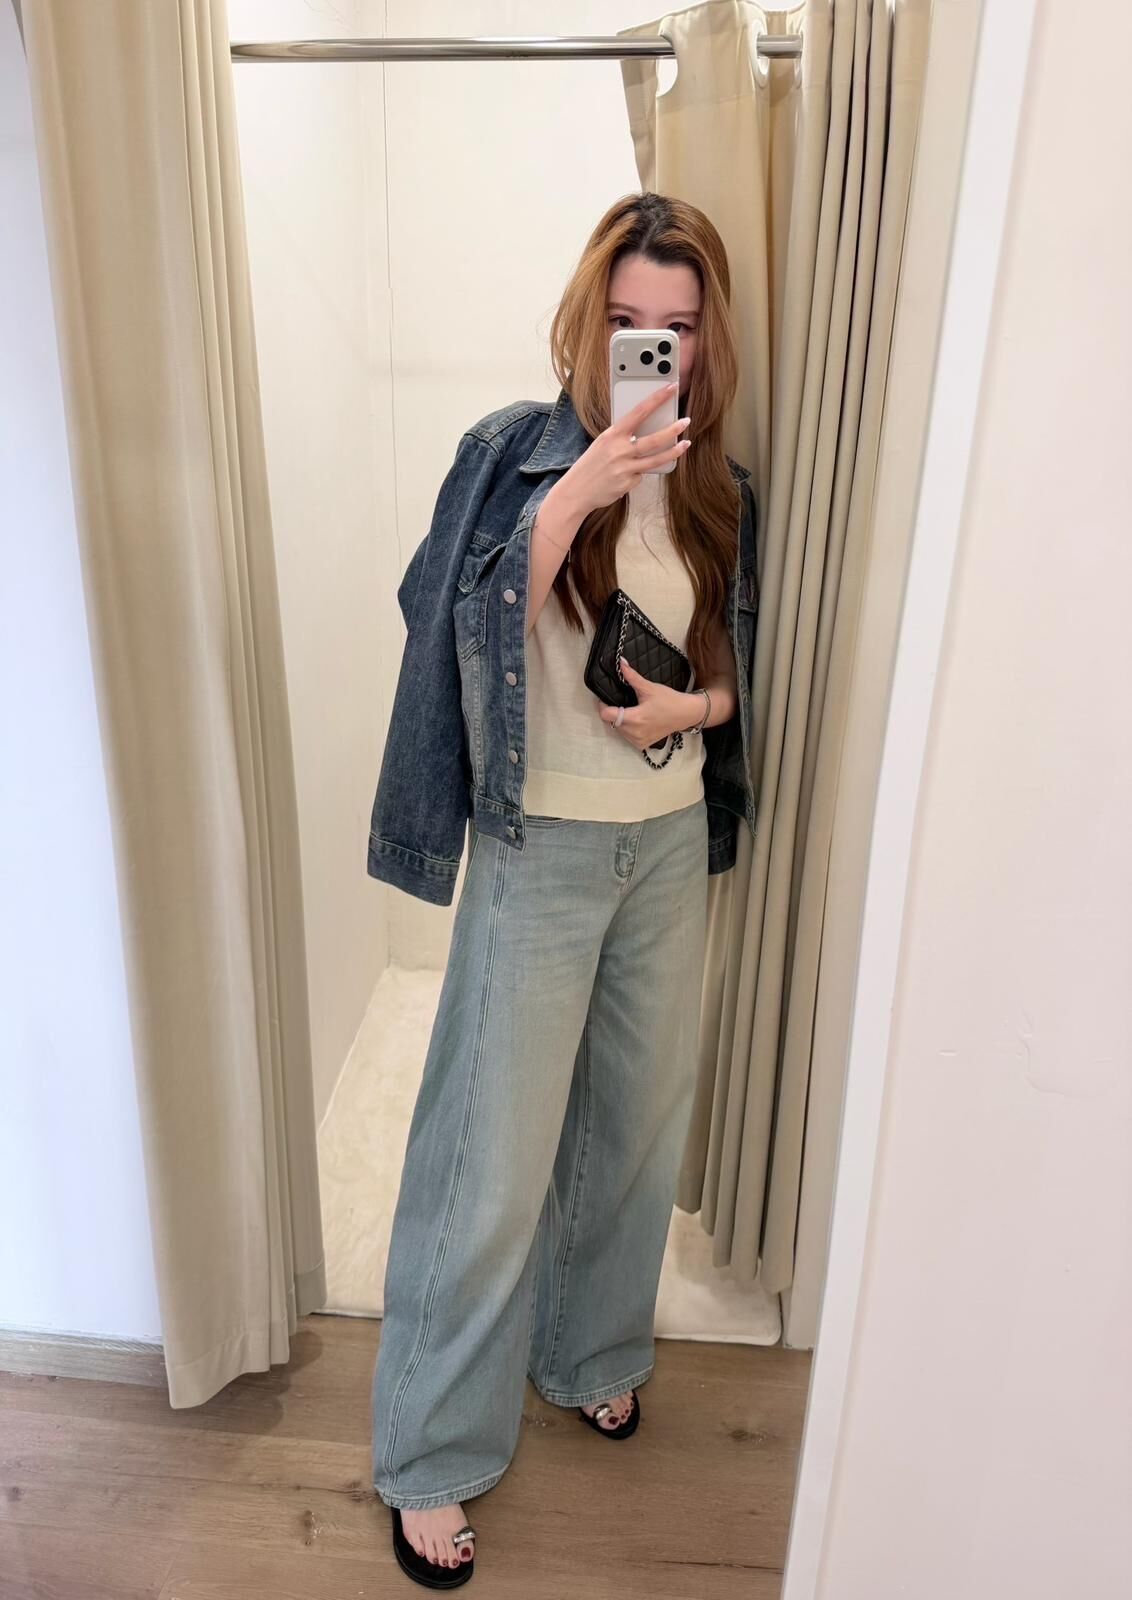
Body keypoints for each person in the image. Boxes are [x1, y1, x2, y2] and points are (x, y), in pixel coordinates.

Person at [365, 191, 758, 1588]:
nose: (654, 347)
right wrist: (579, 488)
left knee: (634, 1131)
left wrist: (688, 712)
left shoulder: (719, 490)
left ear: (707, 341)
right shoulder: (508, 454)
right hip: (539, 846)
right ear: (589, 322)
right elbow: (447, 624)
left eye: (679, 327)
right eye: (629, 320)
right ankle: (428, 1449)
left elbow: (734, 679)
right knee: (490, 1155)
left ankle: (589, 1351)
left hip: (665, 842)